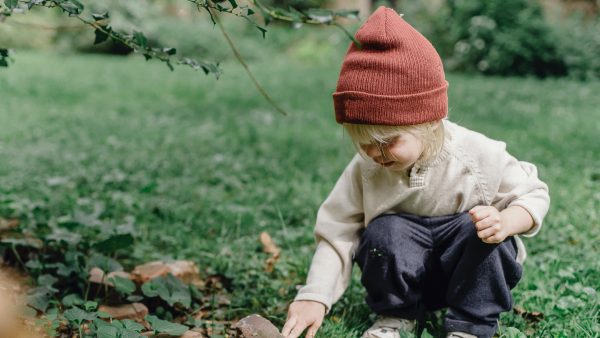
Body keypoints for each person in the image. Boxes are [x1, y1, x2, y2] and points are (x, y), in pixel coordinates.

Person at [281, 6, 550, 338]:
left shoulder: (475, 154)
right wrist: (315, 296)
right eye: (364, 143)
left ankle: (470, 324)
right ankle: (396, 316)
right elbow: (337, 231)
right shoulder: (366, 170)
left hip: (465, 271)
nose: (376, 155)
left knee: (482, 232)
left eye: (388, 141)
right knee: (384, 233)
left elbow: (533, 192)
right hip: (406, 272)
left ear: (428, 121)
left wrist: (508, 221)